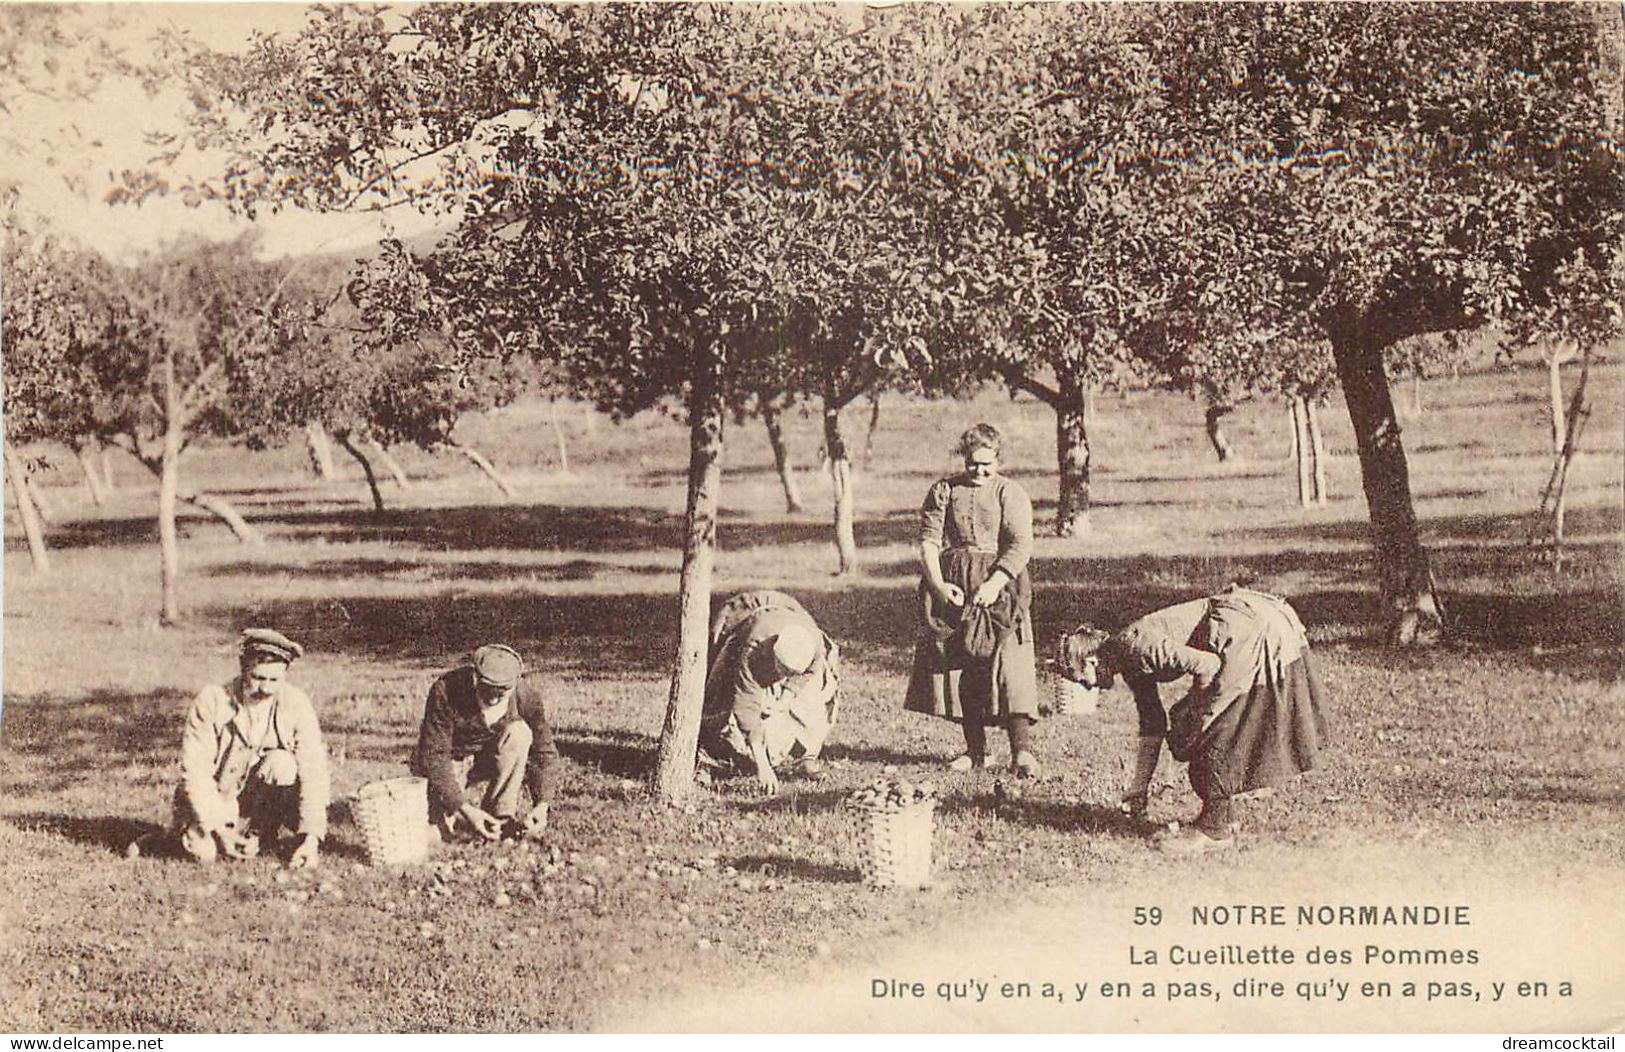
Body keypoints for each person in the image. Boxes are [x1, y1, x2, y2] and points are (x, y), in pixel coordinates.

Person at [1056, 585, 1329, 855]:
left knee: (1208, 734)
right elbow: (1152, 725)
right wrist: (1138, 788)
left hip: (1251, 627)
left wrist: (1200, 718)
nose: (1089, 687)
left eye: (1082, 680)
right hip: (1252, 621)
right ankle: (1224, 817)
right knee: (1189, 730)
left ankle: (1213, 830)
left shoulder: (1135, 645)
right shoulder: (1126, 657)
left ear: (1091, 661)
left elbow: (1208, 666)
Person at [904, 423, 1042, 776]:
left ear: (998, 460)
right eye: (973, 464)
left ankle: (1022, 752)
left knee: (1009, 665)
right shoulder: (943, 491)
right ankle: (975, 750)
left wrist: (995, 583)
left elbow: (1019, 545)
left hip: (1001, 582)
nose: (979, 471)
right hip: (956, 585)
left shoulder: (1010, 493)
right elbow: (929, 542)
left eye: (987, 464)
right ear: (964, 458)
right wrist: (937, 585)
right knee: (963, 667)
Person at [169, 628, 330, 868]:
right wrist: (220, 829)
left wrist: (311, 839)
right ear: (243, 668)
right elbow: (196, 773)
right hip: (216, 797)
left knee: (282, 763)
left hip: (257, 800)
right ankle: (167, 839)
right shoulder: (212, 701)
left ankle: (260, 831)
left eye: (274, 680)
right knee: (206, 855)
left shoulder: (296, 704)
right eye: (258, 678)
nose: (265, 688)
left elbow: (314, 770)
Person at [410, 644, 562, 843]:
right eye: (487, 689)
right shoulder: (446, 690)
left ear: (515, 684)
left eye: (502, 691)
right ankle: (456, 816)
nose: (493, 698)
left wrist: (542, 804)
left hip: (489, 759)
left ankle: (500, 815)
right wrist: (463, 808)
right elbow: (434, 755)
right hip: (452, 760)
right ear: (475, 677)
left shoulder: (526, 697)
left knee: (519, 733)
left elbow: (544, 752)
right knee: (434, 834)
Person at [699, 590, 840, 796]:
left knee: (816, 694)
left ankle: (804, 754)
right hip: (744, 616)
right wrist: (762, 766)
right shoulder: (755, 646)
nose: (783, 678)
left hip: (787, 610)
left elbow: (808, 673)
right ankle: (705, 758)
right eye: (781, 670)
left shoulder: (814, 644)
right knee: (720, 690)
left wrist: (784, 699)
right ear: (773, 651)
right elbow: (746, 705)